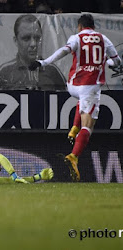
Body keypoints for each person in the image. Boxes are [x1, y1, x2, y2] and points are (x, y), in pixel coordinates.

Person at [29, 14, 121, 182]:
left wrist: (43, 62)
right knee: (89, 126)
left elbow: (63, 51)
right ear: (93, 26)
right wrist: (111, 63)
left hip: (72, 85)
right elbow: (116, 62)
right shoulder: (103, 39)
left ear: (80, 27)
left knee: (86, 100)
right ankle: (74, 156)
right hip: (90, 86)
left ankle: (73, 128)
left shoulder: (76, 37)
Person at [0, 14, 66, 91]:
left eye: (37, 38)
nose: (33, 44)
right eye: (26, 38)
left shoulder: (52, 72)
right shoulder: (5, 73)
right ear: (16, 41)